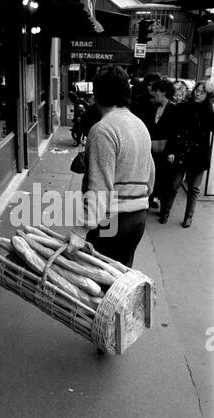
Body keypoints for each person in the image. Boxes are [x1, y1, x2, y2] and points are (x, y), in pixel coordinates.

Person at [66, 66, 155, 268]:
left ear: (97, 95)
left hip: (113, 221)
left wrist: (81, 230)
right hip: (138, 218)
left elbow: (99, 186)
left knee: (96, 285)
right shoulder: (140, 125)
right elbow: (151, 175)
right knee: (119, 282)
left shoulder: (103, 130)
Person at [160, 80, 214, 227]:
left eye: (202, 92)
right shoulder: (182, 107)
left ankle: (189, 217)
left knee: (194, 188)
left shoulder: (209, 111)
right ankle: (165, 211)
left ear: (208, 95)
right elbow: (173, 131)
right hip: (181, 152)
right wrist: (170, 151)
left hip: (199, 155)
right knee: (174, 184)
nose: (198, 93)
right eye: (197, 90)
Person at [145, 79, 176, 209]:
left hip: (166, 151)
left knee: (164, 179)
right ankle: (150, 199)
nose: (153, 93)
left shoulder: (174, 109)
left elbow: (175, 132)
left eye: (156, 91)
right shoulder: (152, 107)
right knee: (151, 176)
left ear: (164, 92)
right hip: (151, 151)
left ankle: (165, 209)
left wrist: (171, 151)